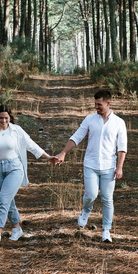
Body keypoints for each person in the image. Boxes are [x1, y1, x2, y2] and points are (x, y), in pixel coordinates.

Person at [50, 89, 127, 243]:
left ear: (108, 103)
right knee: (91, 195)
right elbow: (77, 136)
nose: (96, 107)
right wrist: (64, 152)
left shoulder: (119, 122)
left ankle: (106, 230)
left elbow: (122, 147)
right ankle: (86, 211)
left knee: (107, 198)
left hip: (109, 167)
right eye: (95, 104)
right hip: (90, 164)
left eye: (99, 104)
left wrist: (119, 167)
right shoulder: (90, 120)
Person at [0, 104, 50, 245]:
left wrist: (48, 157)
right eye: (1, 118)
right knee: (7, 200)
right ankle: (17, 228)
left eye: (6, 118)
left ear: (10, 117)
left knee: (3, 200)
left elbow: (31, 145)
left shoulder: (17, 130)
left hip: (14, 168)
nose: (4, 121)